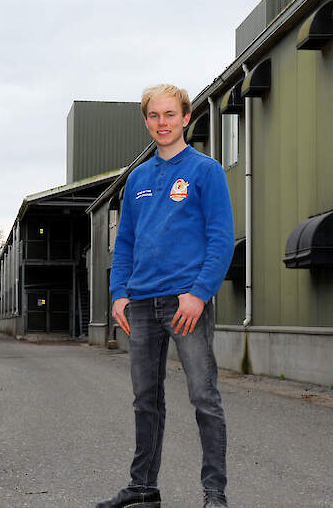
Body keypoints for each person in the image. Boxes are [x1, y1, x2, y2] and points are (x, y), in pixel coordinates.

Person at [99, 84, 235, 508]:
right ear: (146, 120)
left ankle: (214, 493)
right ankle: (143, 488)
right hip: (140, 305)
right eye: (154, 116)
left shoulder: (205, 171)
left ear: (186, 118)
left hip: (185, 304)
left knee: (203, 397)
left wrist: (199, 294)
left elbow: (221, 238)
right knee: (145, 399)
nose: (162, 123)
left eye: (170, 115)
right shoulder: (137, 179)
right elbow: (125, 243)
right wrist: (118, 294)